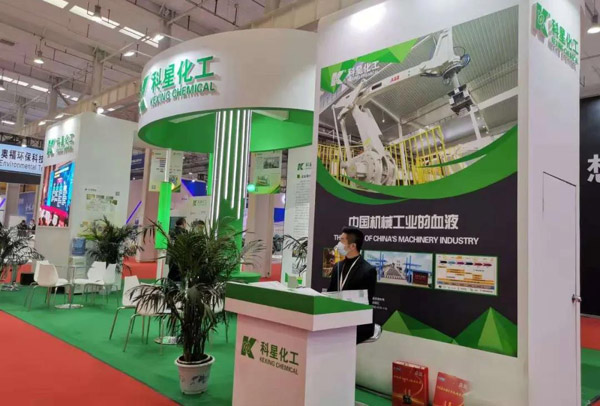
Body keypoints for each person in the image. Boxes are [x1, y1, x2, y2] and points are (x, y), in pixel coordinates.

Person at [328, 227, 377, 344]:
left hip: (356, 323)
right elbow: (331, 292)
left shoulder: (368, 270)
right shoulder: (338, 266)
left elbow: (365, 303)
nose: (338, 244)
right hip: (336, 319)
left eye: (342, 240)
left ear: (353, 246)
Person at [168, 218, 187, 282]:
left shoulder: (171, 232)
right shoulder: (184, 232)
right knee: (179, 275)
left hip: (172, 256)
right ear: (183, 223)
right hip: (181, 257)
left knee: (171, 274)